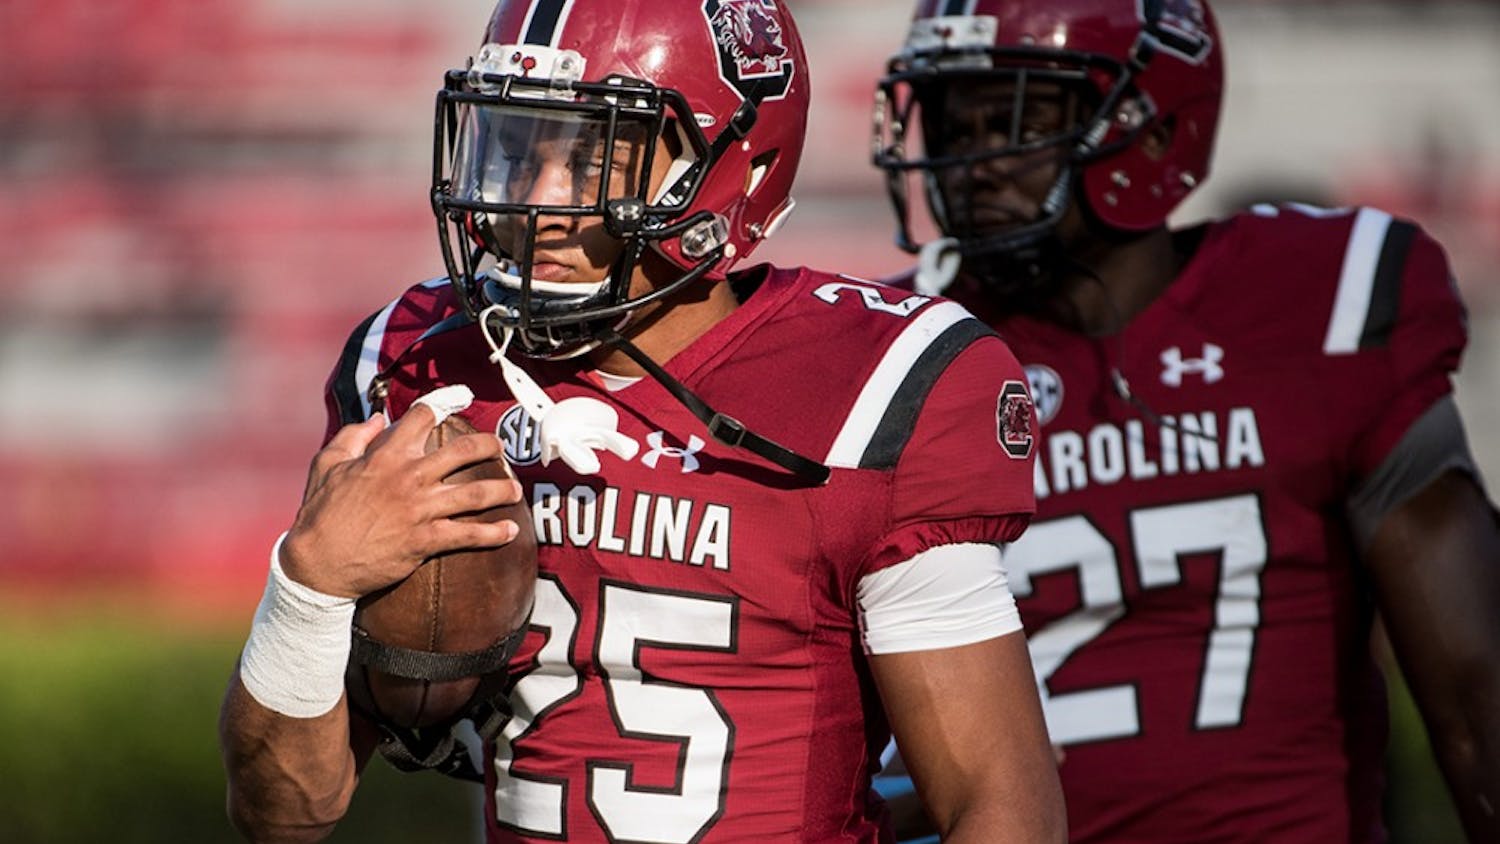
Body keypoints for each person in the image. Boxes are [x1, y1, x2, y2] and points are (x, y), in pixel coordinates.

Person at [217, 0, 1067, 841]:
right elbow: (284, 815)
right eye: (516, 147)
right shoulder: (419, 370)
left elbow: (998, 805)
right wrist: (310, 586)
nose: (537, 203)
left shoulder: (868, 388)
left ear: (731, 168)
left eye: (592, 156)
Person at [870, 0, 1500, 841]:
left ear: (1155, 133)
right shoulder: (892, 349)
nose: (974, 162)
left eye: (1018, 116)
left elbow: (1475, 690)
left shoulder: (1319, 305)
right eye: (955, 121)